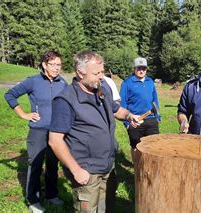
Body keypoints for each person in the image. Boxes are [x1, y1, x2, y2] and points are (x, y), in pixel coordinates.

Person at [48, 50, 141, 212]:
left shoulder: (101, 91)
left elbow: (115, 109)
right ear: (80, 72)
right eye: (96, 73)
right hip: (87, 171)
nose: (101, 76)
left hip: (108, 166)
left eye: (102, 72)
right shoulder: (66, 100)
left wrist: (129, 115)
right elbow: (55, 140)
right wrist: (76, 170)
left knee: (107, 208)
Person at [4, 50, 67, 212]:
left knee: (53, 164)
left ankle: (52, 195)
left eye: (58, 64)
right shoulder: (33, 81)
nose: (56, 68)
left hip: (56, 132)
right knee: (36, 164)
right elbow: (10, 95)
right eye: (52, 64)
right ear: (44, 65)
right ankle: (33, 200)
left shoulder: (63, 83)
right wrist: (24, 114)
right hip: (38, 131)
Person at [120, 57, 161, 160]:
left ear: (146, 69)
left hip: (151, 119)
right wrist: (127, 123)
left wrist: (157, 117)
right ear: (134, 69)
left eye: (144, 68)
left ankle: (150, 168)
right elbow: (123, 104)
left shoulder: (150, 81)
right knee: (136, 147)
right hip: (135, 120)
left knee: (153, 147)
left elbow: (155, 100)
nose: (141, 70)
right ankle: (137, 171)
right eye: (139, 68)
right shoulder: (127, 83)